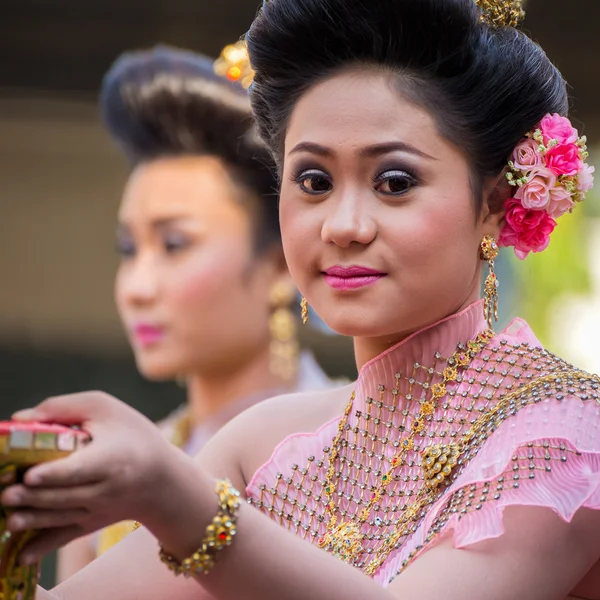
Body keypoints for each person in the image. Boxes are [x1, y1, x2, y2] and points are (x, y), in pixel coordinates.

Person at [2, 0, 600, 598]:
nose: (342, 225)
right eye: (313, 181)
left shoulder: (563, 434)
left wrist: (178, 502)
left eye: (394, 182)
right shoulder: (264, 444)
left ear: (494, 204)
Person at [56, 44, 337, 581]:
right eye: (128, 249)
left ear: (281, 264)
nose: (137, 287)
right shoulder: (113, 468)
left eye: (175, 244)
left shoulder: (356, 443)